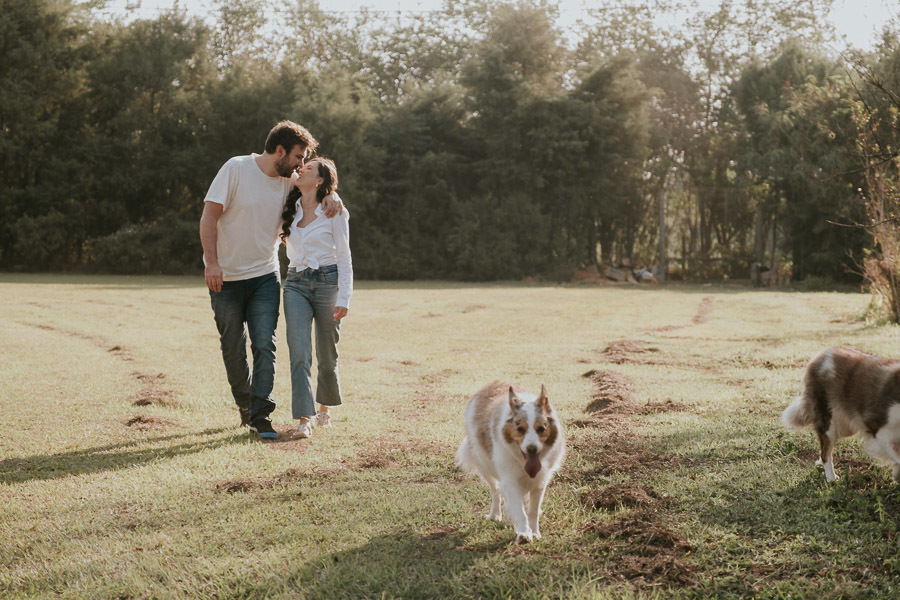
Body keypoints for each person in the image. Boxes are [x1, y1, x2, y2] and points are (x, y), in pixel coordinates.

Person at [199, 121, 342, 440]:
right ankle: (245, 406)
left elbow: (316, 190)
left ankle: (261, 414)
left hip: (265, 275)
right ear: (280, 151)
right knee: (232, 346)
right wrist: (212, 262)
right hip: (226, 277)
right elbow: (209, 216)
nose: (301, 164)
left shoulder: (290, 180)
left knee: (265, 344)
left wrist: (334, 198)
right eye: (298, 156)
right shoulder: (235, 168)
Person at [281, 157, 353, 439]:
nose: (301, 169)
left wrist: (344, 297)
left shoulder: (334, 212)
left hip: (327, 282)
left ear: (320, 180)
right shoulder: (290, 206)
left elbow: (344, 256)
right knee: (299, 354)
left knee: (326, 354)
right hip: (296, 283)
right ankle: (304, 419)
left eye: (308, 168)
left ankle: (325, 407)